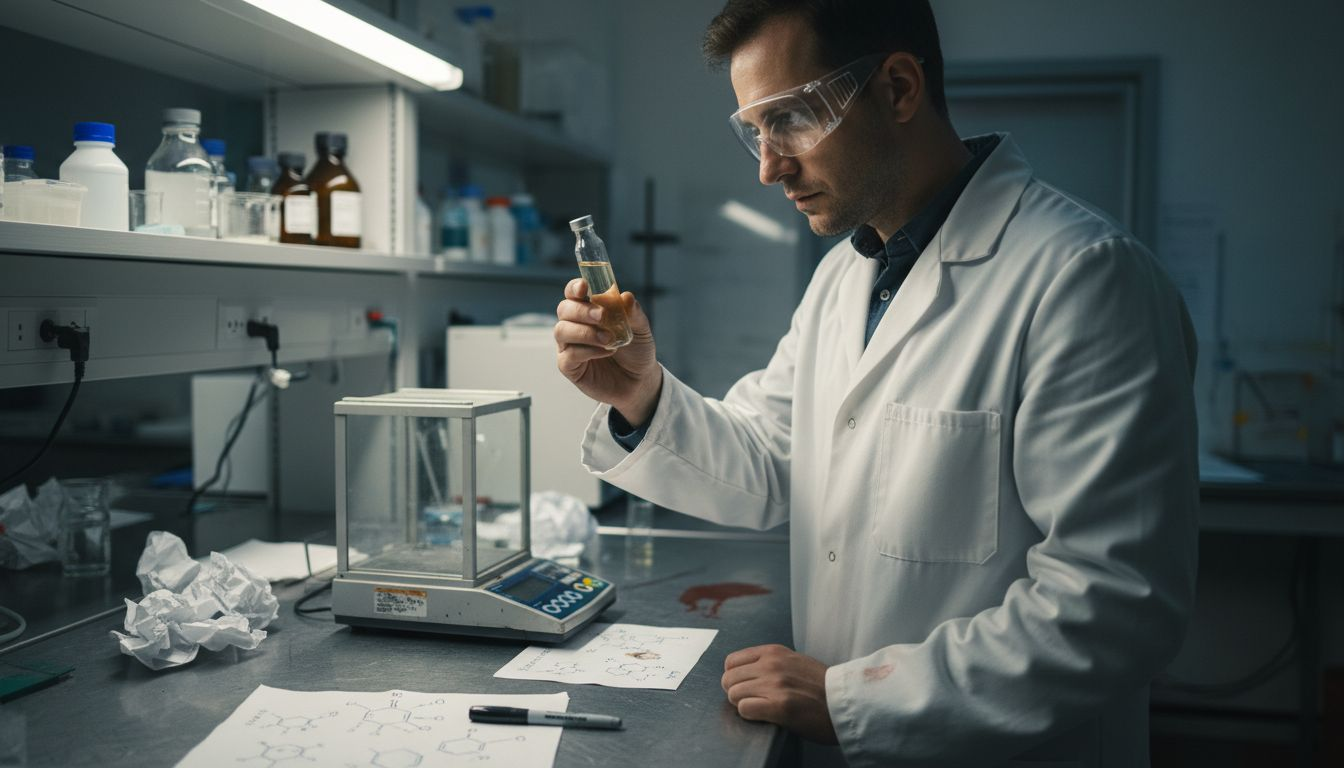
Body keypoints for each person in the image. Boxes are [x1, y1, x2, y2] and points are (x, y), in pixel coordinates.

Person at [553, 1, 1198, 764]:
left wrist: (857, 699)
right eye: (753, 131)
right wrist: (640, 392)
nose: (767, 166)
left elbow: (1114, 605)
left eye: (790, 118)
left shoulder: (1082, 278)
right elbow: (770, 459)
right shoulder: (843, 279)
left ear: (897, 89)